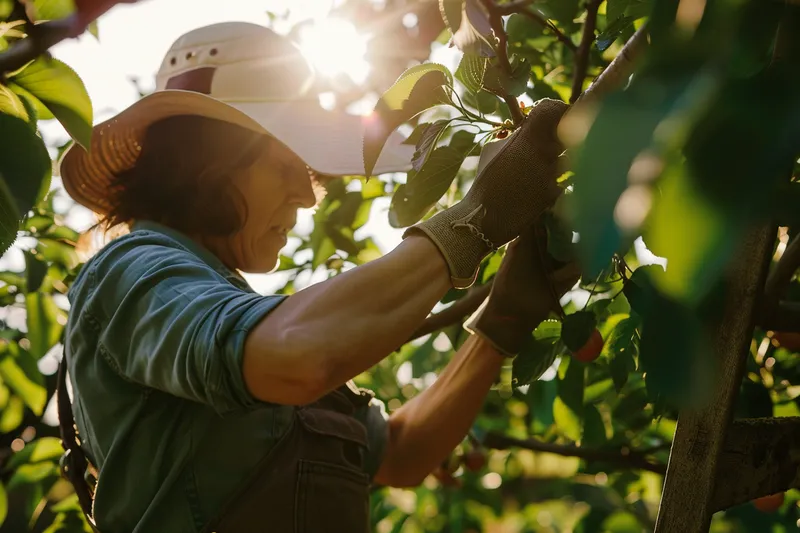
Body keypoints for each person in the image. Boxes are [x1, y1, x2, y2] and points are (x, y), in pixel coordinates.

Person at [57, 21, 574, 533]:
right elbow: (295, 355)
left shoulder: (239, 311)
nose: (307, 196)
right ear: (209, 162)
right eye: (286, 167)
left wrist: (500, 323)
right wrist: (473, 221)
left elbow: (400, 452)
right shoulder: (132, 269)